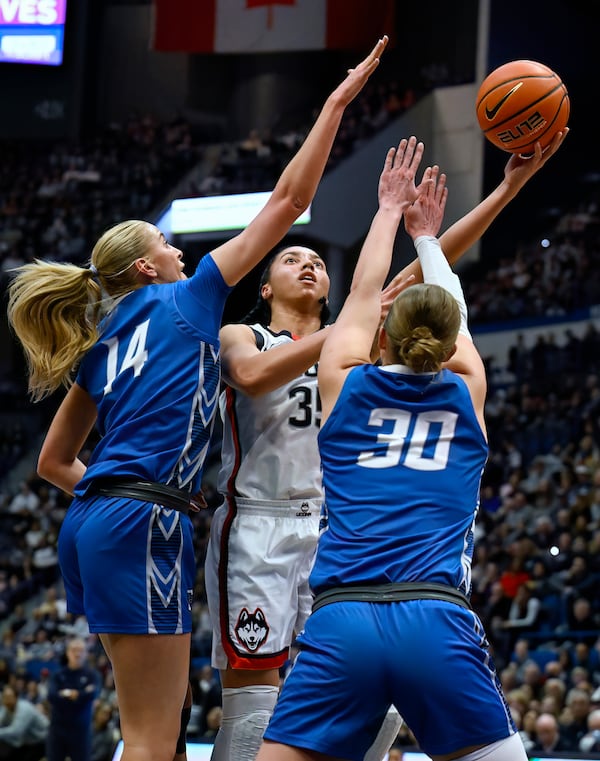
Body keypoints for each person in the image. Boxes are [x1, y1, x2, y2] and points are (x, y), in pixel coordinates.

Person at [5, 35, 389, 761]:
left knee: (156, 724)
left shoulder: (104, 338)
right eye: (168, 243)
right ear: (150, 263)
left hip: (96, 522)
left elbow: (56, 461)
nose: (182, 250)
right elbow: (291, 199)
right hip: (144, 518)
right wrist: (337, 100)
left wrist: (117, 492)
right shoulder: (186, 301)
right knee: (155, 738)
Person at [205, 120, 569, 760]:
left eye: (316, 258)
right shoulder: (253, 336)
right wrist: (416, 242)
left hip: (337, 549)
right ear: (263, 288)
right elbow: (436, 295)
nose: (310, 262)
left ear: (384, 335)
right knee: (256, 692)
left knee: (350, 708)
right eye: (293, 257)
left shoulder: (344, 367)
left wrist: (385, 242)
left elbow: (392, 287)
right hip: (275, 526)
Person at [46, 636, 101, 761]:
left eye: (81, 650)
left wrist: (66, 695)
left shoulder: (92, 675)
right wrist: (79, 695)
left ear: (86, 653)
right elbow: (52, 696)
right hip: (57, 730)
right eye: (74, 650)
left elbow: (91, 695)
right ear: (67, 652)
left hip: (81, 732)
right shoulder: (58, 675)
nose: (77, 654)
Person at [0, 684, 49, 761]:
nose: (6, 700)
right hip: (25, 741)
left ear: (16, 698)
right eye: (5, 697)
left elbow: (16, 731)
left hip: (41, 741)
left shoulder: (24, 708)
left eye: (9, 697)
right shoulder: (6, 707)